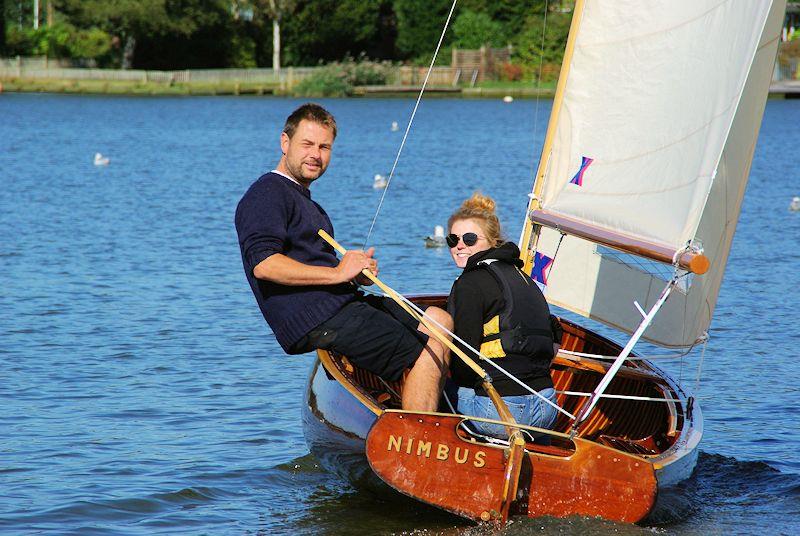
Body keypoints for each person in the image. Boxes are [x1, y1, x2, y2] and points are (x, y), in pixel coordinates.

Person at [235, 103, 451, 412]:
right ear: (285, 143)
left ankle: (441, 411)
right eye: (307, 144)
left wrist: (354, 274)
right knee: (423, 354)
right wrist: (338, 274)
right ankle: (420, 438)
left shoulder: (309, 204)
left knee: (439, 320)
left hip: (340, 304)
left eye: (324, 147)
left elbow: (318, 266)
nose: (316, 154)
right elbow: (264, 264)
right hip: (316, 318)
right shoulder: (267, 193)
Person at [445, 192, 562, 439]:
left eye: (469, 238)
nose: (459, 245)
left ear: (492, 240)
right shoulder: (525, 278)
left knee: (439, 382)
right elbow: (553, 333)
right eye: (452, 239)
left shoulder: (470, 283)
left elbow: (464, 363)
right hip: (548, 410)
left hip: (499, 414)